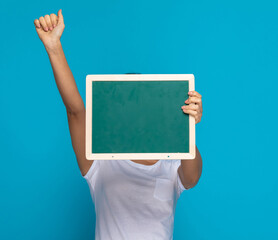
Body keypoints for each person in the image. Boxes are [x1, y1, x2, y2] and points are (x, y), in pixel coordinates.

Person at [33, 9, 203, 240]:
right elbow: (75, 111)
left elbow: (192, 178)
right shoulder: (99, 164)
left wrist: (188, 126)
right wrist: (54, 47)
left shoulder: (171, 162)